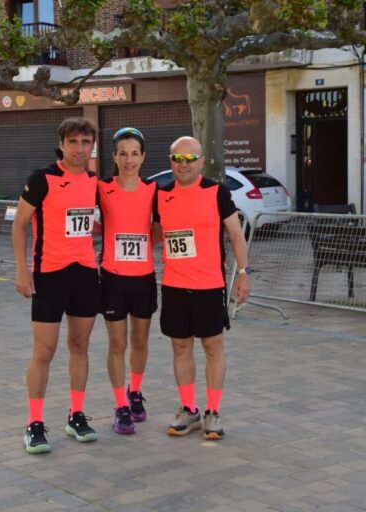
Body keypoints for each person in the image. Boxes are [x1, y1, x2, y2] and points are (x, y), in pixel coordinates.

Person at [153, 136, 251, 440]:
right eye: (177, 158)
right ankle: (188, 408)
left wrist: (243, 272)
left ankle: (212, 412)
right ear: (170, 161)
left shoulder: (216, 192)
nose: (183, 164)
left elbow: (236, 234)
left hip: (209, 285)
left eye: (190, 158)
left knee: (213, 347)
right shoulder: (161, 195)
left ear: (201, 161)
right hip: (174, 285)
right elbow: (151, 233)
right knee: (180, 347)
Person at [12, 117, 100, 454]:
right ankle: (34, 423)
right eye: (74, 142)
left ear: (93, 146)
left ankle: (76, 415)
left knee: (80, 347)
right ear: (62, 144)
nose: (80, 148)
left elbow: (90, 224)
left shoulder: (94, 181)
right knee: (44, 351)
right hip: (49, 275)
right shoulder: (43, 178)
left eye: (86, 142)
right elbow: (19, 226)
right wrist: (23, 271)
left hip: (84, 275)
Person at [97, 127, 157, 434]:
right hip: (113, 279)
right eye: (123, 153)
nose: (128, 159)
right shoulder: (102, 187)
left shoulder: (153, 190)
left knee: (140, 342)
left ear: (143, 157)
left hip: (144, 278)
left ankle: (135, 392)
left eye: (134, 153)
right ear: (114, 156)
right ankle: (120, 404)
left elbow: (160, 229)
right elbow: (85, 218)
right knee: (117, 344)